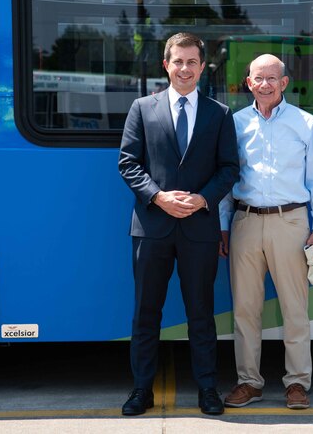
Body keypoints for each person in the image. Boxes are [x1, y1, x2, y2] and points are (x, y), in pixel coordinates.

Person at [118, 32, 239, 416]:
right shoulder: (142, 107)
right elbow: (128, 163)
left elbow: (229, 169)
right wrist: (157, 196)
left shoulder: (219, 114)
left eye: (192, 62)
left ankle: (207, 390)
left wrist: (203, 199)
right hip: (152, 227)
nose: (184, 68)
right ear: (165, 65)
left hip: (199, 229)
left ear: (202, 67)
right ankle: (141, 390)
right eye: (178, 61)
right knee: (145, 313)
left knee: (201, 313)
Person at [219, 54, 313, 410]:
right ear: (247, 84)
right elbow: (227, 180)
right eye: (258, 78)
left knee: (294, 308)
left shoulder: (306, 123)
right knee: (245, 309)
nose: (265, 84)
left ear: (284, 83)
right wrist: (223, 227)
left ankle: (297, 384)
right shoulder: (234, 124)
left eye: (272, 78)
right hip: (245, 222)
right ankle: (248, 382)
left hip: (291, 223)